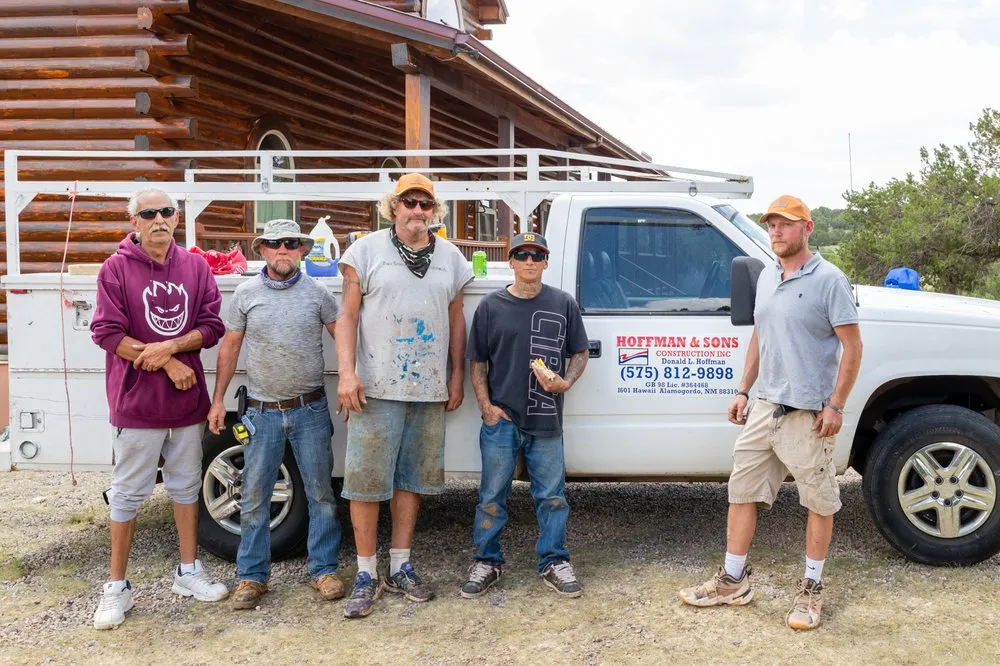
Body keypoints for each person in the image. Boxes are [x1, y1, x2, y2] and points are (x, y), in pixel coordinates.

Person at [678, 195, 863, 630]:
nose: (777, 231)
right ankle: (731, 581)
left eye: (786, 224)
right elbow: (761, 335)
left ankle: (812, 590)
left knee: (818, 500)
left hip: (808, 413)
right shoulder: (767, 277)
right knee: (741, 490)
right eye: (772, 224)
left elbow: (852, 347)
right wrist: (743, 389)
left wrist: (835, 404)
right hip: (765, 407)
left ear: (807, 228)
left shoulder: (830, 280)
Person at [90, 188, 228, 630]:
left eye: (167, 211)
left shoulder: (195, 266)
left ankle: (188, 572)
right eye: (148, 213)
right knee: (129, 492)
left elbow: (211, 326)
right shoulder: (114, 270)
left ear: (176, 217)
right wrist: (167, 360)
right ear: (133, 221)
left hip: (187, 404)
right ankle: (117, 588)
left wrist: (170, 345)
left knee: (187, 486)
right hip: (136, 403)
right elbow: (106, 332)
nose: (159, 219)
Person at [336, 173, 473, 619]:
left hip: (428, 388)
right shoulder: (365, 251)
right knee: (365, 482)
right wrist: (346, 374)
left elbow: (457, 319)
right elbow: (347, 316)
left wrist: (456, 374)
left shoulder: (451, 258)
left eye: (426, 204)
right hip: (375, 388)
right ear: (393, 207)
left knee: (410, 479)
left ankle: (401, 565)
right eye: (409, 202)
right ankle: (364, 572)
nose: (418, 211)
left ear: (435, 211)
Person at [208, 219, 344, 610]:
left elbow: (344, 338)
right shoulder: (246, 293)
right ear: (262, 250)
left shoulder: (319, 294)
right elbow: (230, 349)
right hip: (261, 414)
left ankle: (324, 570)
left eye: (290, 243)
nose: (282, 250)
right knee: (253, 497)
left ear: (302, 249)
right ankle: (252, 577)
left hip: (310, 409)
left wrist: (353, 378)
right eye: (274, 243)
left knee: (321, 494)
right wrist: (218, 399)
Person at [460, 232, 590, 599]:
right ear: (511, 261)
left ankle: (554, 561)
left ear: (546, 262)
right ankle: (487, 560)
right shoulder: (490, 307)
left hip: (546, 418)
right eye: (522, 255)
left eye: (537, 255)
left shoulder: (563, 304)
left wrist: (566, 381)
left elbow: (580, 352)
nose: (529, 261)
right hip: (502, 419)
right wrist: (486, 408)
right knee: (491, 496)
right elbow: (478, 362)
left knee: (552, 496)